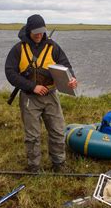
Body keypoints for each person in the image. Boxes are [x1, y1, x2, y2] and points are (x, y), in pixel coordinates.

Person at [5, 14, 78, 173]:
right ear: (29, 30)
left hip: (51, 95)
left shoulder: (53, 47)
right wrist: (32, 87)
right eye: (36, 32)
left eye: (42, 31)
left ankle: (59, 164)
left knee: (58, 131)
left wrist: (71, 79)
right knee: (32, 136)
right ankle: (34, 167)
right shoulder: (18, 49)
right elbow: (10, 73)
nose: (39, 35)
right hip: (30, 97)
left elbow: (66, 65)